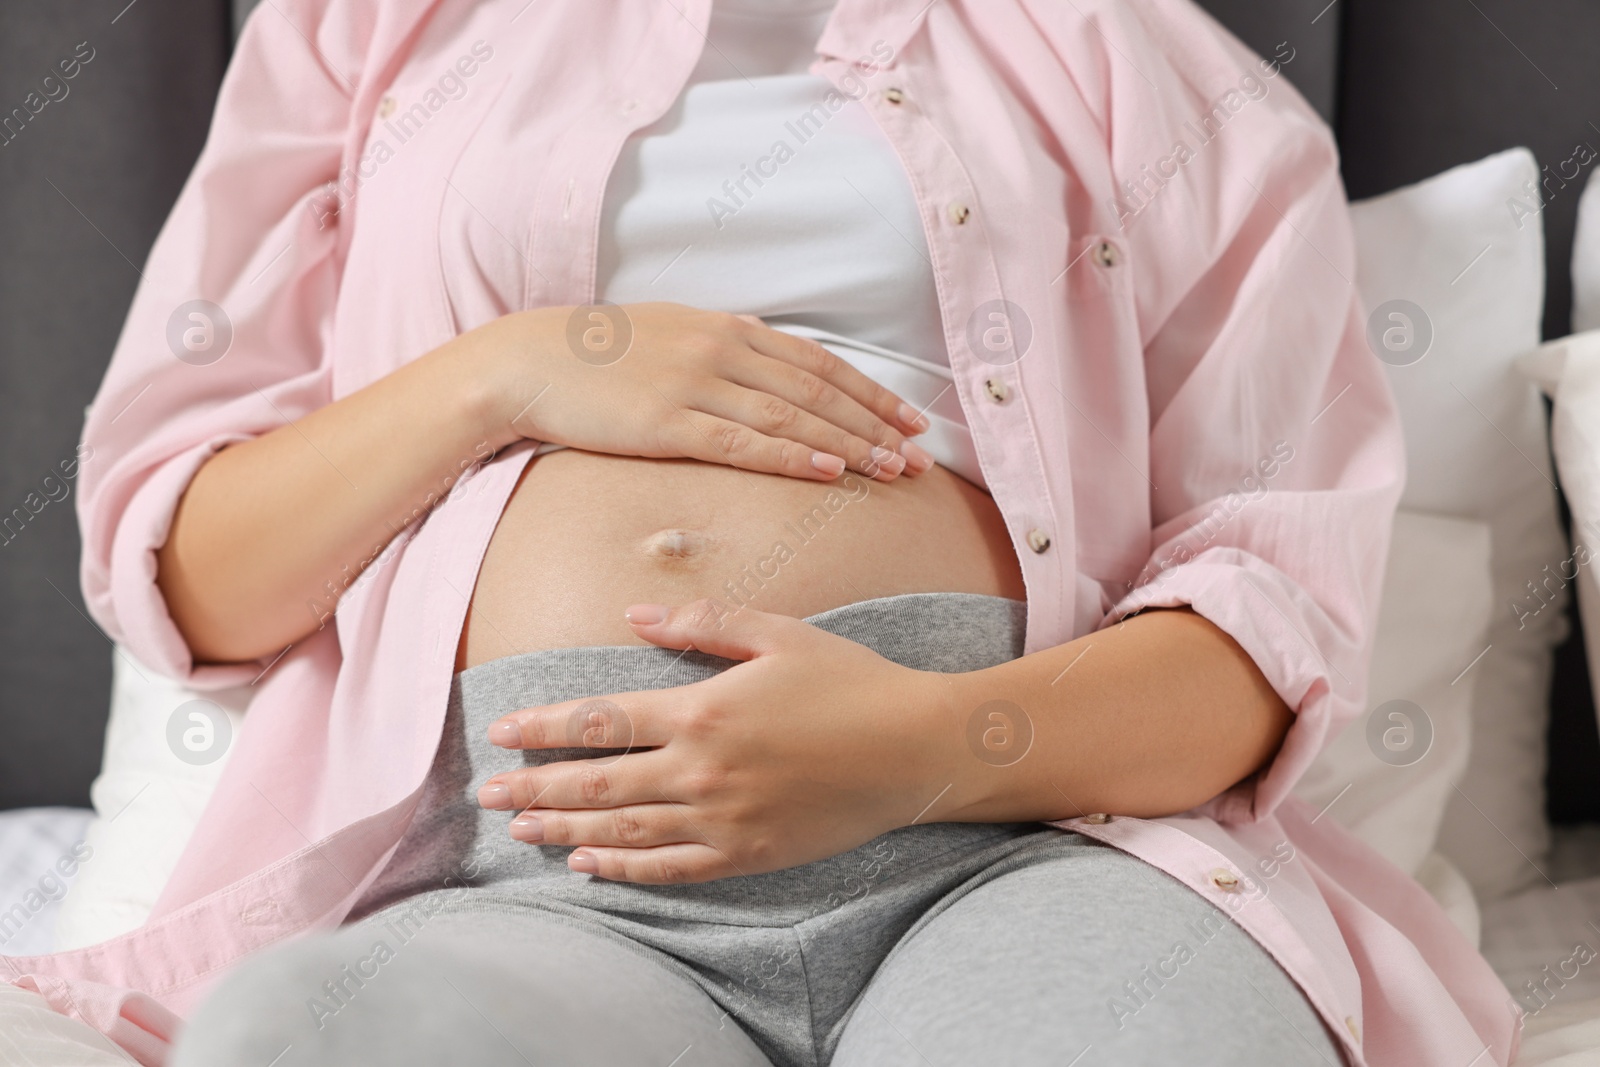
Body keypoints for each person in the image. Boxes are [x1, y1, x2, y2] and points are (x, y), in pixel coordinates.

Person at [4, 1, 1515, 1065]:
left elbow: (1270, 622)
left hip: (1031, 861)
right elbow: (192, 576)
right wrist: (516, 367)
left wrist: (924, 747)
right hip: (546, 904)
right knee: (292, 1042)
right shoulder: (366, 31)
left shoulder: (1154, 67)